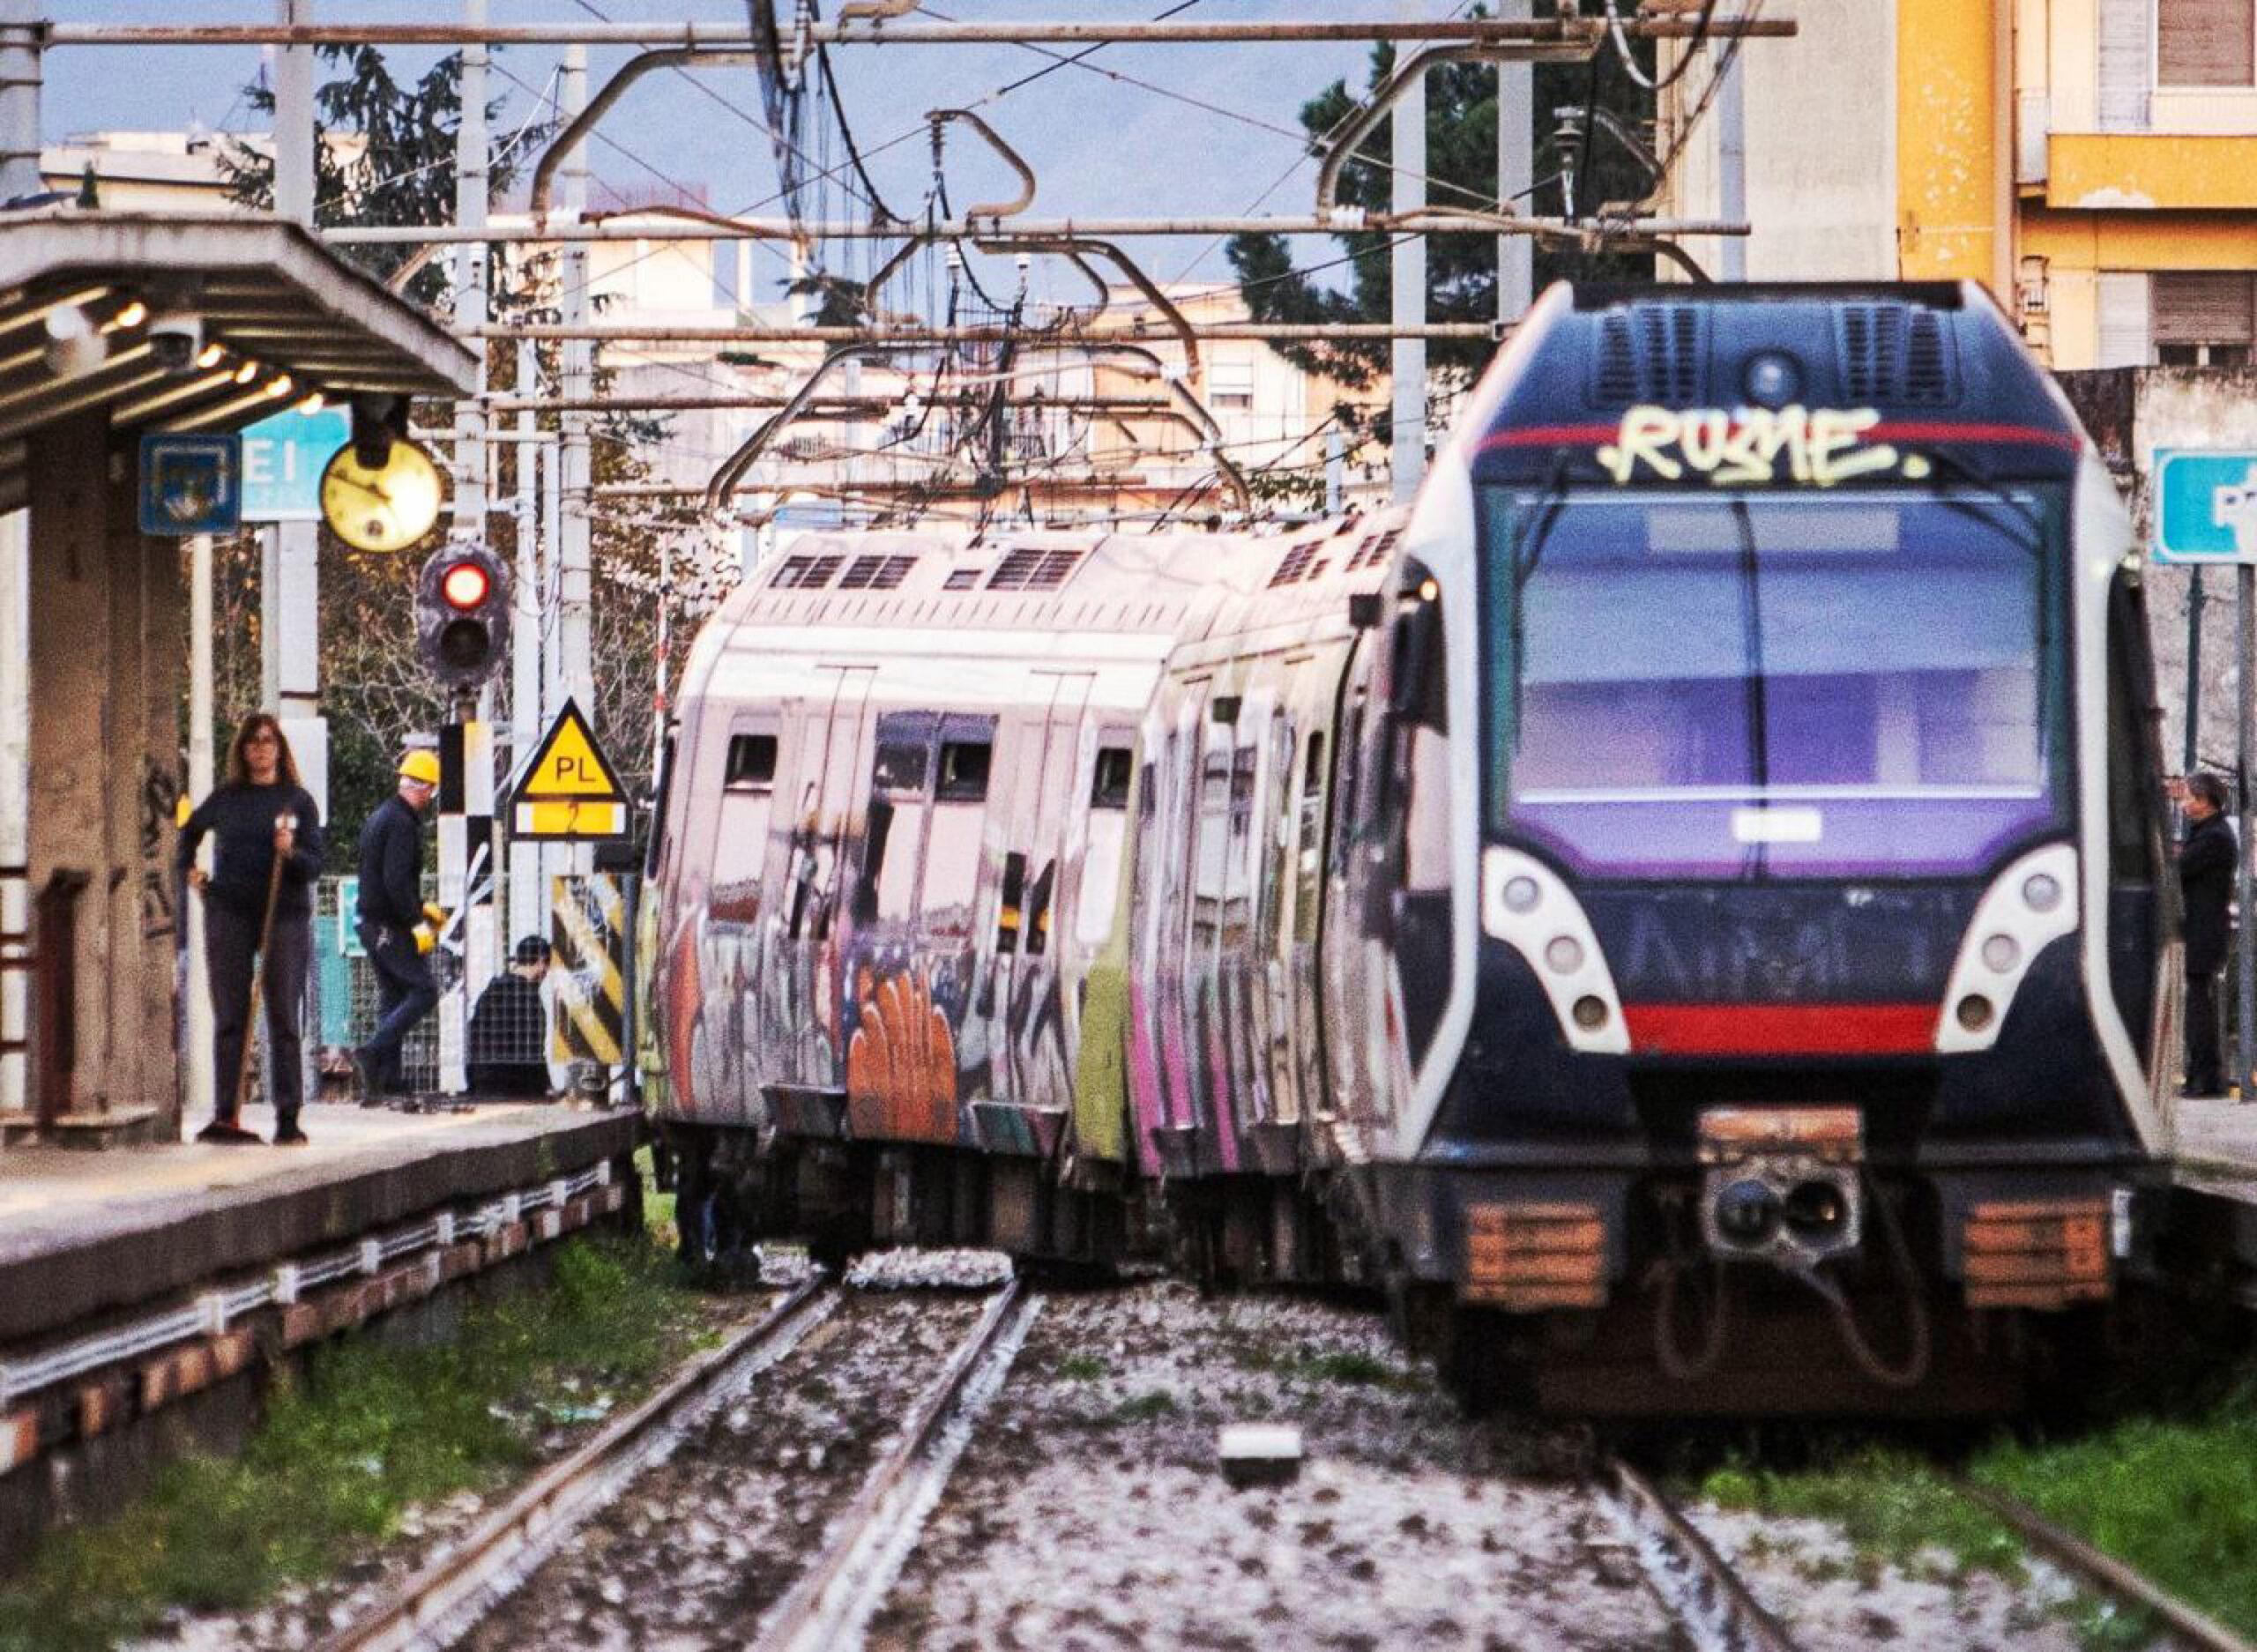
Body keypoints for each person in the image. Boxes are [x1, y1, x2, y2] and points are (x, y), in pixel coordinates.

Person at [177, 714, 324, 1145]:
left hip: (284, 913)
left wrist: (290, 852)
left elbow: (314, 865)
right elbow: (189, 834)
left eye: (268, 741)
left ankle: (288, 1118)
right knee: (230, 1015)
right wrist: (192, 872)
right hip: (230, 911)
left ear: (279, 749)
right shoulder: (226, 799)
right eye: (252, 742)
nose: (260, 749)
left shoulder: (297, 802)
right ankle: (227, 1114)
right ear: (242, 749)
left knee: (282, 1015)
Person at [353, 748, 441, 1105]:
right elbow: (396, 881)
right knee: (424, 991)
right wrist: (417, 919)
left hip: (372, 923)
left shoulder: (381, 816)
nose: (430, 799)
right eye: (431, 791)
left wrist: (420, 911)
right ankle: (374, 1052)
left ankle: (388, 1080)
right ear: (425, 788)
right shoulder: (402, 824)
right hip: (389, 923)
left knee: (393, 995)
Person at [2180, 770, 2236, 1098]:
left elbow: (2180, 870)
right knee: (2199, 1007)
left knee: (2199, 1010)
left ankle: (2204, 1078)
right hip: (2203, 930)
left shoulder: (2213, 838)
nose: (2185, 804)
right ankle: (2204, 1076)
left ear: (2205, 801)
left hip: (2203, 932)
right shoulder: (2208, 833)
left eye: (2189, 798)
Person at [468, 935, 553, 1098]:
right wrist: (546, 1087)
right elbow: (533, 1051)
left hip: (481, 1082)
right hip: (515, 1086)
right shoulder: (530, 999)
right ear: (541, 961)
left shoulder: (490, 991)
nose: (547, 973)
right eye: (548, 965)